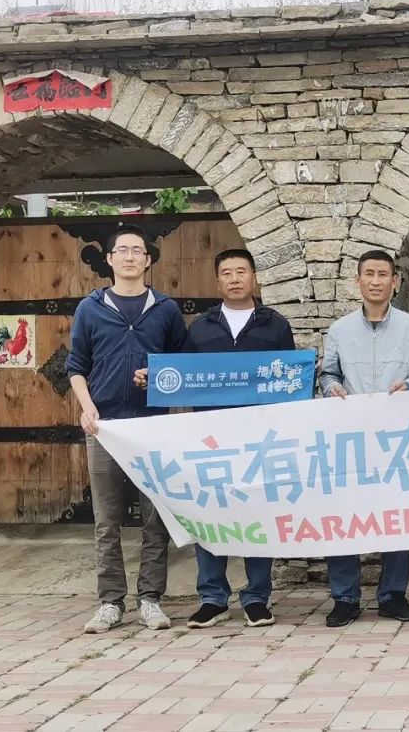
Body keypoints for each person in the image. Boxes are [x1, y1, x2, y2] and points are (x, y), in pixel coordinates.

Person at [135, 248, 295, 630]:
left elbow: (290, 380)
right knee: (210, 514)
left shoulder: (276, 325)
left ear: (254, 278)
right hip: (211, 441)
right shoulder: (200, 328)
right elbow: (183, 376)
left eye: (241, 271)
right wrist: (153, 379)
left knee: (258, 514)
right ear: (217, 281)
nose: (235, 279)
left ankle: (257, 598)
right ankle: (212, 598)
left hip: (259, 440)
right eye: (227, 273)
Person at [67, 224, 187, 634]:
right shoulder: (91, 308)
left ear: (148, 260)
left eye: (138, 250)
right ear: (110, 259)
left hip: (153, 428)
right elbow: (76, 367)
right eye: (123, 250)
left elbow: (182, 367)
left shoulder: (166, 309)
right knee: (107, 520)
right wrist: (88, 408)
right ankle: (110, 602)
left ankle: (151, 598)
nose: (131, 256)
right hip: (106, 428)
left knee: (155, 518)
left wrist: (156, 378)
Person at [318, 249, 409, 628]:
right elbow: (327, 375)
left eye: (382, 274)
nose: (375, 281)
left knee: (397, 514)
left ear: (394, 282)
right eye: (368, 274)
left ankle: (392, 594)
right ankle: (345, 597)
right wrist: (332, 388)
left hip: (396, 438)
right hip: (349, 438)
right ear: (357, 281)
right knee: (344, 514)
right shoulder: (339, 330)